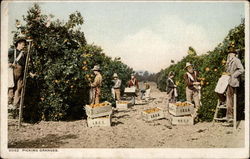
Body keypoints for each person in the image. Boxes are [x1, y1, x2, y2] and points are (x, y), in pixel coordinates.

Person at [218, 47, 244, 122]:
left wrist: (233, 75)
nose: (229, 55)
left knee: (229, 97)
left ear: (234, 54)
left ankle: (229, 116)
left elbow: (241, 69)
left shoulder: (236, 60)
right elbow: (227, 71)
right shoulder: (228, 61)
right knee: (218, 91)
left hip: (233, 81)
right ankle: (224, 101)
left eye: (231, 53)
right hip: (226, 80)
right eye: (229, 54)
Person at [8, 37, 27, 110]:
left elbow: (25, 64)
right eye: (22, 44)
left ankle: (15, 104)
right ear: (18, 44)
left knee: (19, 88)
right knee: (11, 86)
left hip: (21, 71)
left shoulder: (24, 54)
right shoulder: (12, 51)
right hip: (13, 69)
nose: (23, 46)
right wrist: (9, 63)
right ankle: (9, 102)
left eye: (24, 45)